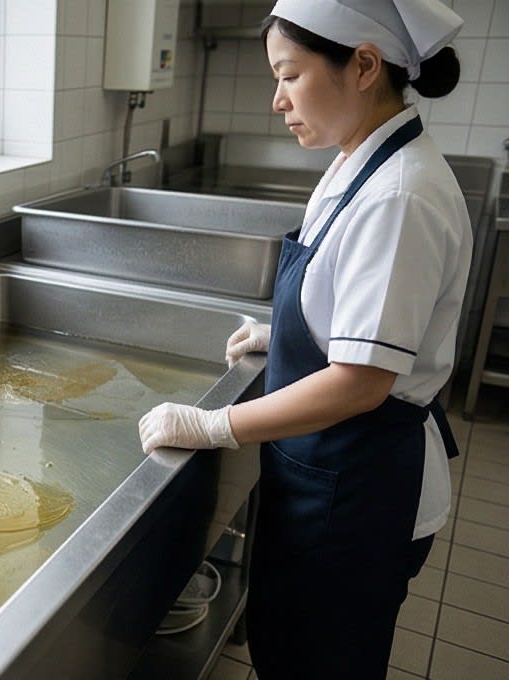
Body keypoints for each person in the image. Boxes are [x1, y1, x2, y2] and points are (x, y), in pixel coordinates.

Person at [137, 1, 472, 677]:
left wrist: (214, 424)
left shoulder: (399, 196)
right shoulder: (361, 160)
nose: (277, 99)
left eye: (289, 75)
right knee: (291, 650)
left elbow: (361, 381)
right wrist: (289, 333)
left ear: (364, 66)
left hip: (361, 489)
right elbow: (351, 307)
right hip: (331, 474)